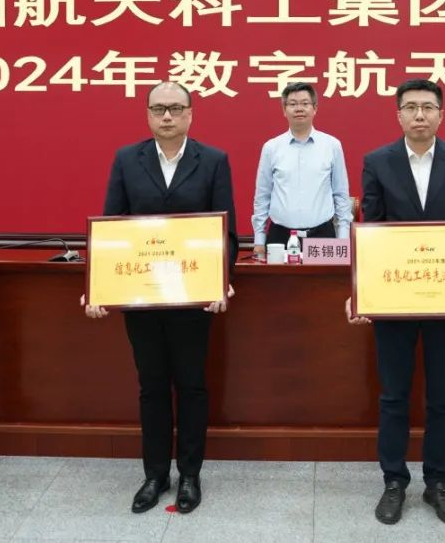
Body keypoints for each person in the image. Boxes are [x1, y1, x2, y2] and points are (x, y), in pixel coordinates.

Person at [345, 78, 445, 527]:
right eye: (411, 107)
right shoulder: (378, 161)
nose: (420, 115)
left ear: (441, 114)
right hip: (394, 296)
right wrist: (360, 291)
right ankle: (394, 481)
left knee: (442, 398)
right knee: (394, 396)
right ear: (398, 114)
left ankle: (438, 483)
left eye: (428, 107)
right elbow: (372, 231)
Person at [83, 81, 238, 515]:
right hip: (142, 296)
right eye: (158, 109)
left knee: (191, 384)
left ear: (190, 113)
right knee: (151, 386)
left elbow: (226, 232)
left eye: (174, 108)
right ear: (148, 115)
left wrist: (221, 280)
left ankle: (189, 474)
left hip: (192, 297)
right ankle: (154, 474)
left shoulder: (213, 160)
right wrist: (99, 286)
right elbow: (112, 226)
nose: (166, 116)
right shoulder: (126, 159)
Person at [251, 82, 352, 257]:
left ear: (315, 108)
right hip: (280, 237)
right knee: (277, 277)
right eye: (292, 104)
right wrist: (259, 240)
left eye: (305, 103)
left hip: (322, 236)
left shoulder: (332, 145)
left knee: (325, 277)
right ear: (284, 110)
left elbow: (341, 196)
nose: (299, 109)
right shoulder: (271, 148)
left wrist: (343, 240)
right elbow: (262, 197)